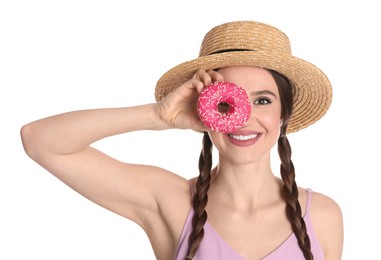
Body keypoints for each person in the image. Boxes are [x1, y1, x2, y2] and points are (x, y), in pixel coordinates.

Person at [20, 21, 343, 260]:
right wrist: (158, 116)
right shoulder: (170, 201)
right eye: (227, 103)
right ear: (204, 108)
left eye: (262, 101)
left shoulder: (323, 216)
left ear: (284, 113)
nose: (243, 118)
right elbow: (39, 140)